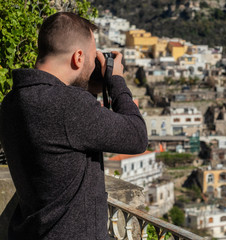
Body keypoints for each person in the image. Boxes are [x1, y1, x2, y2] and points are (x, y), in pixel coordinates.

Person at [0, 12, 148, 240]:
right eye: (91, 57)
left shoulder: (12, 101)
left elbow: (64, 140)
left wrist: (90, 89)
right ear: (78, 57)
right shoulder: (68, 106)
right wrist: (116, 80)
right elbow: (137, 136)